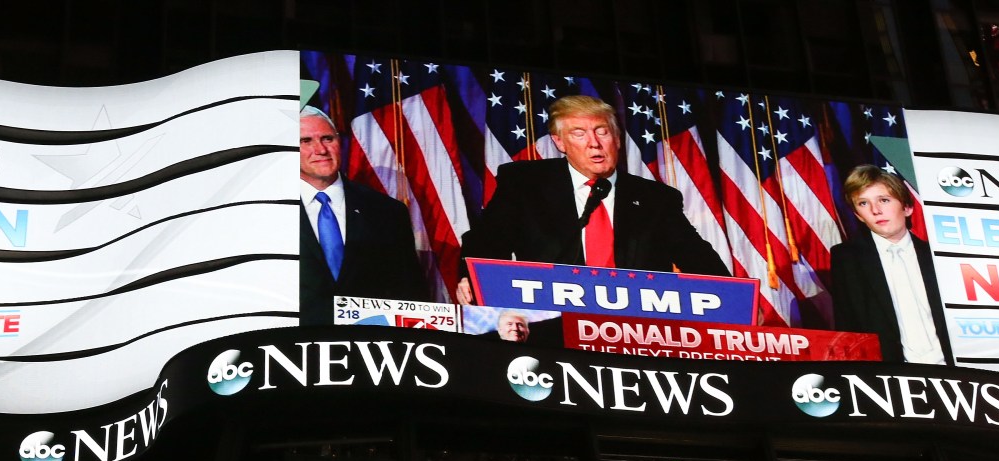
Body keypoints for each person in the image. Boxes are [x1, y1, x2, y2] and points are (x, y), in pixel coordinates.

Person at [456, 95, 728, 305]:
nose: (594, 143)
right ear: (559, 142)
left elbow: (695, 255)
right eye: (579, 133)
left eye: (602, 131)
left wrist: (734, 298)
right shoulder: (526, 184)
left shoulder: (655, 199)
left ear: (617, 139)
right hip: (550, 318)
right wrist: (474, 276)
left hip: (634, 325)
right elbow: (488, 238)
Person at [299, 106, 427, 325]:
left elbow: (409, 295)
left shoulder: (388, 212)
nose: (320, 149)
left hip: (372, 347)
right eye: (306, 141)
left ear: (340, 142)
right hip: (292, 348)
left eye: (327, 138)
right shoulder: (267, 212)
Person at [830, 164, 953, 365]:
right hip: (890, 377)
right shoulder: (847, 259)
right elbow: (848, 330)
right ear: (858, 215)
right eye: (863, 203)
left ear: (907, 207)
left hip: (951, 370)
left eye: (884, 200)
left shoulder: (937, 257)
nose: (876, 211)